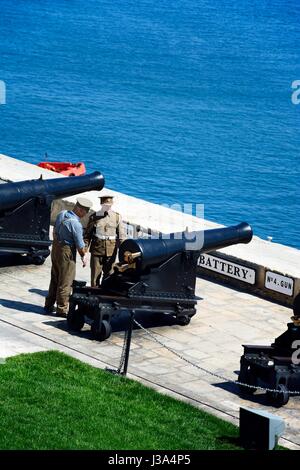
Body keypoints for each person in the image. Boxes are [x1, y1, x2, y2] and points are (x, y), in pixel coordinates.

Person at [44, 197, 93, 317]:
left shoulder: (62, 214)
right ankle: (62, 309)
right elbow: (80, 245)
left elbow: (54, 230)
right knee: (66, 280)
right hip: (67, 252)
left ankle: (49, 305)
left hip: (56, 248)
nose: (85, 214)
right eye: (85, 211)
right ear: (80, 210)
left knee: (54, 277)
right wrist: (84, 257)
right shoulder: (75, 224)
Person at [84, 195, 126, 287]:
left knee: (109, 275)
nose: (108, 207)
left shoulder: (117, 217)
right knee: (95, 276)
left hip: (111, 251)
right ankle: (94, 294)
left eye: (109, 205)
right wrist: (84, 252)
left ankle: (105, 293)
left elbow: (121, 235)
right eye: (105, 205)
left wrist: (124, 250)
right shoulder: (94, 217)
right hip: (97, 250)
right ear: (101, 204)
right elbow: (87, 236)